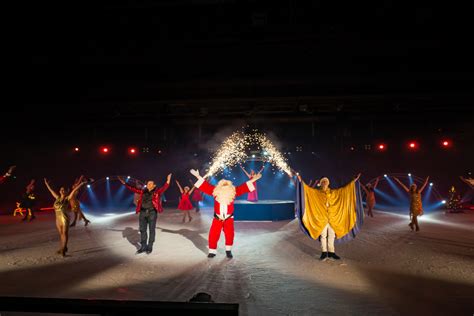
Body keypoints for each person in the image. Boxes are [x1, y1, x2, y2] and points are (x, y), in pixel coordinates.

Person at [190, 168, 262, 258]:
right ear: (219, 186)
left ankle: (228, 250)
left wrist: (254, 179)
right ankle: (212, 251)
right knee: (213, 234)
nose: (225, 186)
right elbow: (205, 185)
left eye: (226, 184)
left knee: (229, 234)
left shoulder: (233, 191)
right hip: (217, 218)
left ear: (230, 186)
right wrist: (198, 176)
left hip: (229, 218)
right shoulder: (215, 191)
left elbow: (244, 187)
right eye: (223, 184)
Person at [296, 173, 362, 261]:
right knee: (323, 236)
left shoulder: (333, 193)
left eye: (326, 182)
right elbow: (307, 190)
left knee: (332, 235)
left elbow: (345, 190)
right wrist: (301, 181)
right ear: (321, 183)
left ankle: (331, 252)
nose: (324, 183)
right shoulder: (316, 193)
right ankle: (324, 252)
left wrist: (354, 181)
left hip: (332, 218)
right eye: (323, 182)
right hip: (322, 218)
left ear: (328, 183)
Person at [118, 174, 172, 254]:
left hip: (152, 213)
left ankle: (149, 246)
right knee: (142, 230)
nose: (148, 185)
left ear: (154, 185)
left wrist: (168, 181)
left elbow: (164, 188)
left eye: (150, 184)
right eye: (148, 184)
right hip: (143, 212)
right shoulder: (143, 191)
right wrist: (124, 183)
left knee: (151, 230)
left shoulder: (157, 192)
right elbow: (133, 189)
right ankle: (143, 246)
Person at [44, 178, 86, 256]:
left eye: (64, 190)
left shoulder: (67, 198)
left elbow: (74, 190)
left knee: (64, 233)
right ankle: (63, 247)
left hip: (64, 219)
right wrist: (47, 184)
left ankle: (63, 249)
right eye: (61, 190)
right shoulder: (57, 198)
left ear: (66, 192)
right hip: (58, 219)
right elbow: (51, 191)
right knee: (61, 234)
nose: (62, 191)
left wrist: (81, 183)